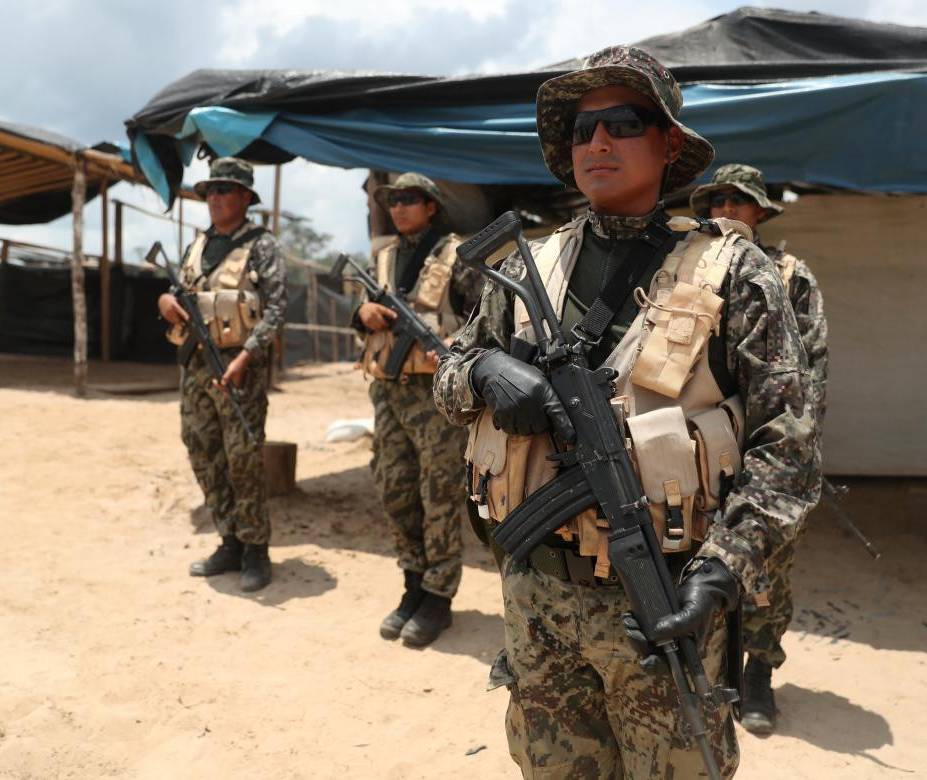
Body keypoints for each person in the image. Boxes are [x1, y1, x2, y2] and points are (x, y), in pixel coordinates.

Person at [433, 46, 820, 777]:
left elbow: (788, 447)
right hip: (538, 603)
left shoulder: (736, 274)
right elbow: (446, 374)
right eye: (582, 130)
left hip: (667, 602)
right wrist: (484, 371)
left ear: (669, 143)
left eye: (623, 122)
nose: (598, 142)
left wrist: (720, 575)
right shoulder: (522, 269)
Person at [691, 164, 829, 734]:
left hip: (767, 453)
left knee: (767, 572)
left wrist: (787, 455)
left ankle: (758, 675)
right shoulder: (688, 270)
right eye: (715, 198)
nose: (724, 208)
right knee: (703, 563)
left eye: (737, 199)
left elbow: (812, 375)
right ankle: (713, 673)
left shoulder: (791, 278)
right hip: (702, 452)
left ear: (760, 211)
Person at [351, 172, 483, 647]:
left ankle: (438, 597)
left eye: (410, 200)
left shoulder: (457, 255)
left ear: (431, 207)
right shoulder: (384, 257)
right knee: (394, 487)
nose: (399, 207)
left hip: (435, 399)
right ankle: (412, 584)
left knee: (439, 495)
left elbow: (485, 322)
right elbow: (364, 312)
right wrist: (362, 315)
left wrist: (453, 345)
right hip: (387, 392)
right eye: (394, 201)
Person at [157, 157, 286, 593]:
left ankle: (255, 550)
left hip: (238, 368)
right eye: (210, 191)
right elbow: (180, 293)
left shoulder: (261, 245)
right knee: (202, 449)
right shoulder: (197, 245)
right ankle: (229, 539)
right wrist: (165, 303)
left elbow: (276, 310)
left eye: (225, 190)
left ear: (246, 198)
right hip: (196, 364)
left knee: (243, 458)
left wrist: (246, 356)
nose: (214, 198)